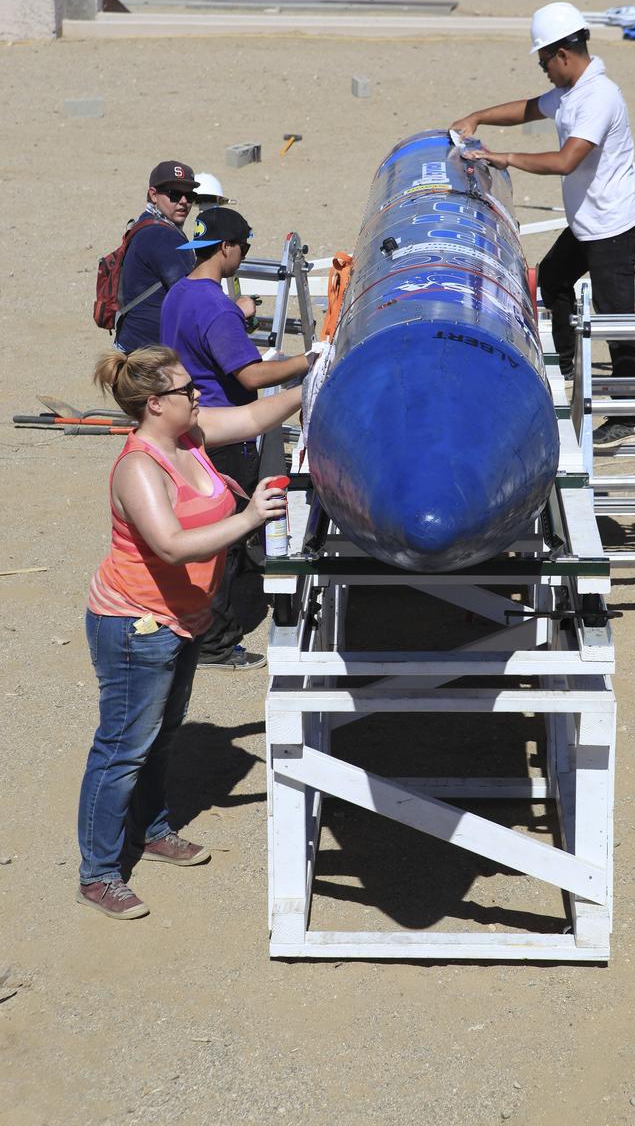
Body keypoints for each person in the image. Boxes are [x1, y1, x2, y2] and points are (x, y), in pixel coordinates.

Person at [77, 345, 303, 920]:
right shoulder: (139, 468)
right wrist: (250, 517)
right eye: (186, 390)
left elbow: (255, 417)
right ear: (155, 404)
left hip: (179, 622)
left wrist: (318, 382)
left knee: (161, 734)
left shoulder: (190, 437)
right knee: (123, 746)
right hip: (136, 624)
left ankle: (150, 830)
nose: (198, 394)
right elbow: (172, 545)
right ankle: (99, 872)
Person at [451, 1, 635, 448]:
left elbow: (566, 161)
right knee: (553, 280)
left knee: (616, 320)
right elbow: (527, 109)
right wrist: (478, 116)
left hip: (614, 228)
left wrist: (503, 158)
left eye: (544, 62)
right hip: (589, 224)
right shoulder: (572, 92)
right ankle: (565, 363)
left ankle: (631, 416)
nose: (543, 70)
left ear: (563, 54)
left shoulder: (598, 97)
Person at [160, 207, 310, 669]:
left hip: (189, 431)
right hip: (225, 435)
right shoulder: (216, 306)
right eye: (242, 247)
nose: (243, 255)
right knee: (225, 536)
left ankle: (197, 619)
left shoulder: (178, 295)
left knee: (201, 529)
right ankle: (217, 643)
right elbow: (250, 376)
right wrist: (311, 361)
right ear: (227, 248)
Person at [114, 161, 199, 354]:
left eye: (190, 195)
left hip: (131, 343)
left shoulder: (144, 223)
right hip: (150, 356)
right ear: (153, 195)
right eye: (175, 194)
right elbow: (189, 294)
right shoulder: (163, 235)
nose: (184, 201)